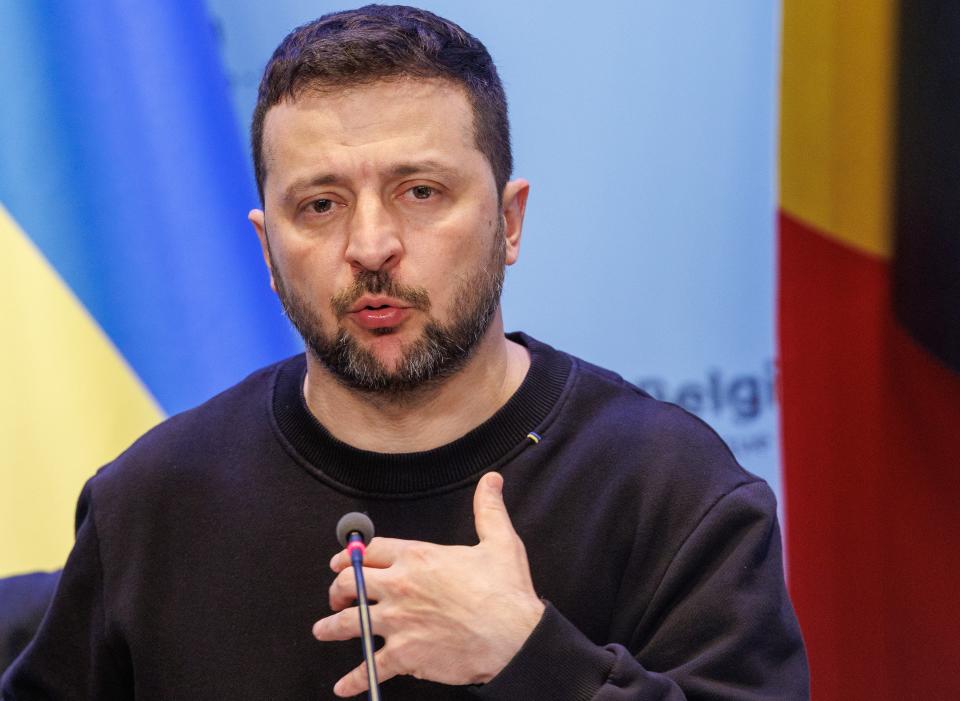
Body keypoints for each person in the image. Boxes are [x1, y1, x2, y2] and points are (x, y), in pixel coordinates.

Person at [1, 5, 808, 699]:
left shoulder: (671, 489)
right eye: (320, 205)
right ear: (268, 255)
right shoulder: (152, 504)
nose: (372, 245)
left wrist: (530, 656)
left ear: (510, 220)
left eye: (420, 191)